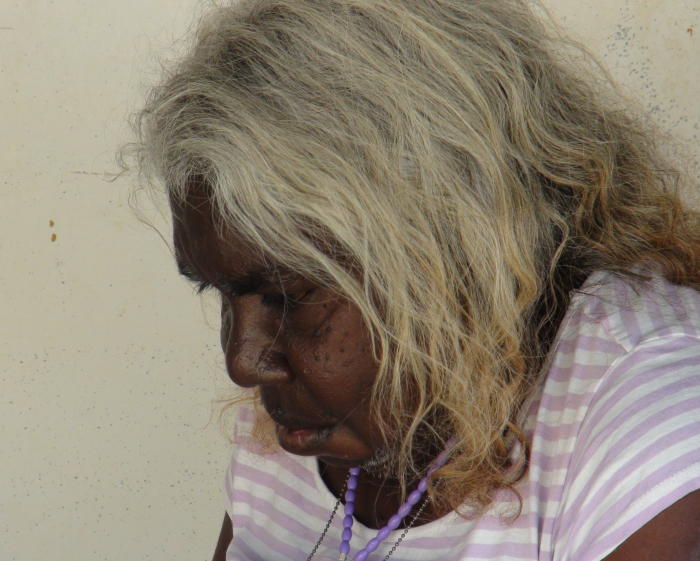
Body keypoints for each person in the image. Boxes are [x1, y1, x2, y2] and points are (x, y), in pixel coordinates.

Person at [131, 0, 700, 559]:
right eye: (222, 293)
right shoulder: (314, 412)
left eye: (286, 297)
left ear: (452, 249)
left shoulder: (651, 417)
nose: (243, 363)